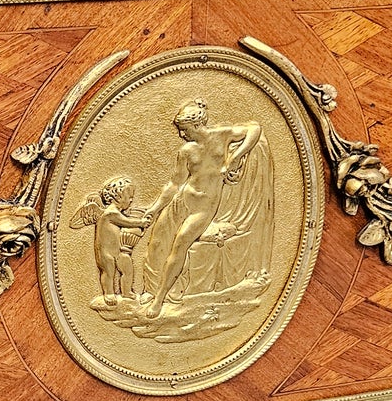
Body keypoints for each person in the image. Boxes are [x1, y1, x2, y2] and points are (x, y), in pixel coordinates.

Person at [140, 100, 263, 317]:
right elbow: (175, 184)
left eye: (183, 130)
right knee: (159, 241)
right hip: (182, 202)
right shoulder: (187, 151)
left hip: (203, 209)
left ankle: (159, 298)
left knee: (180, 243)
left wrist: (236, 156)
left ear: (196, 125)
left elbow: (255, 129)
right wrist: (155, 208)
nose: (180, 135)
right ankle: (151, 291)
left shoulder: (223, 135)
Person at [69, 176, 151, 302]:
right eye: (129, 197)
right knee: (108, 273)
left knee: (127, 269)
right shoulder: (110, 213)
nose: (131, 200)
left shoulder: (117, 212)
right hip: (105, 252)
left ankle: (127, 292)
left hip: (118, 250)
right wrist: (140, 223)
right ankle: (109, 293)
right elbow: (126, 222)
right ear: (118, 197)